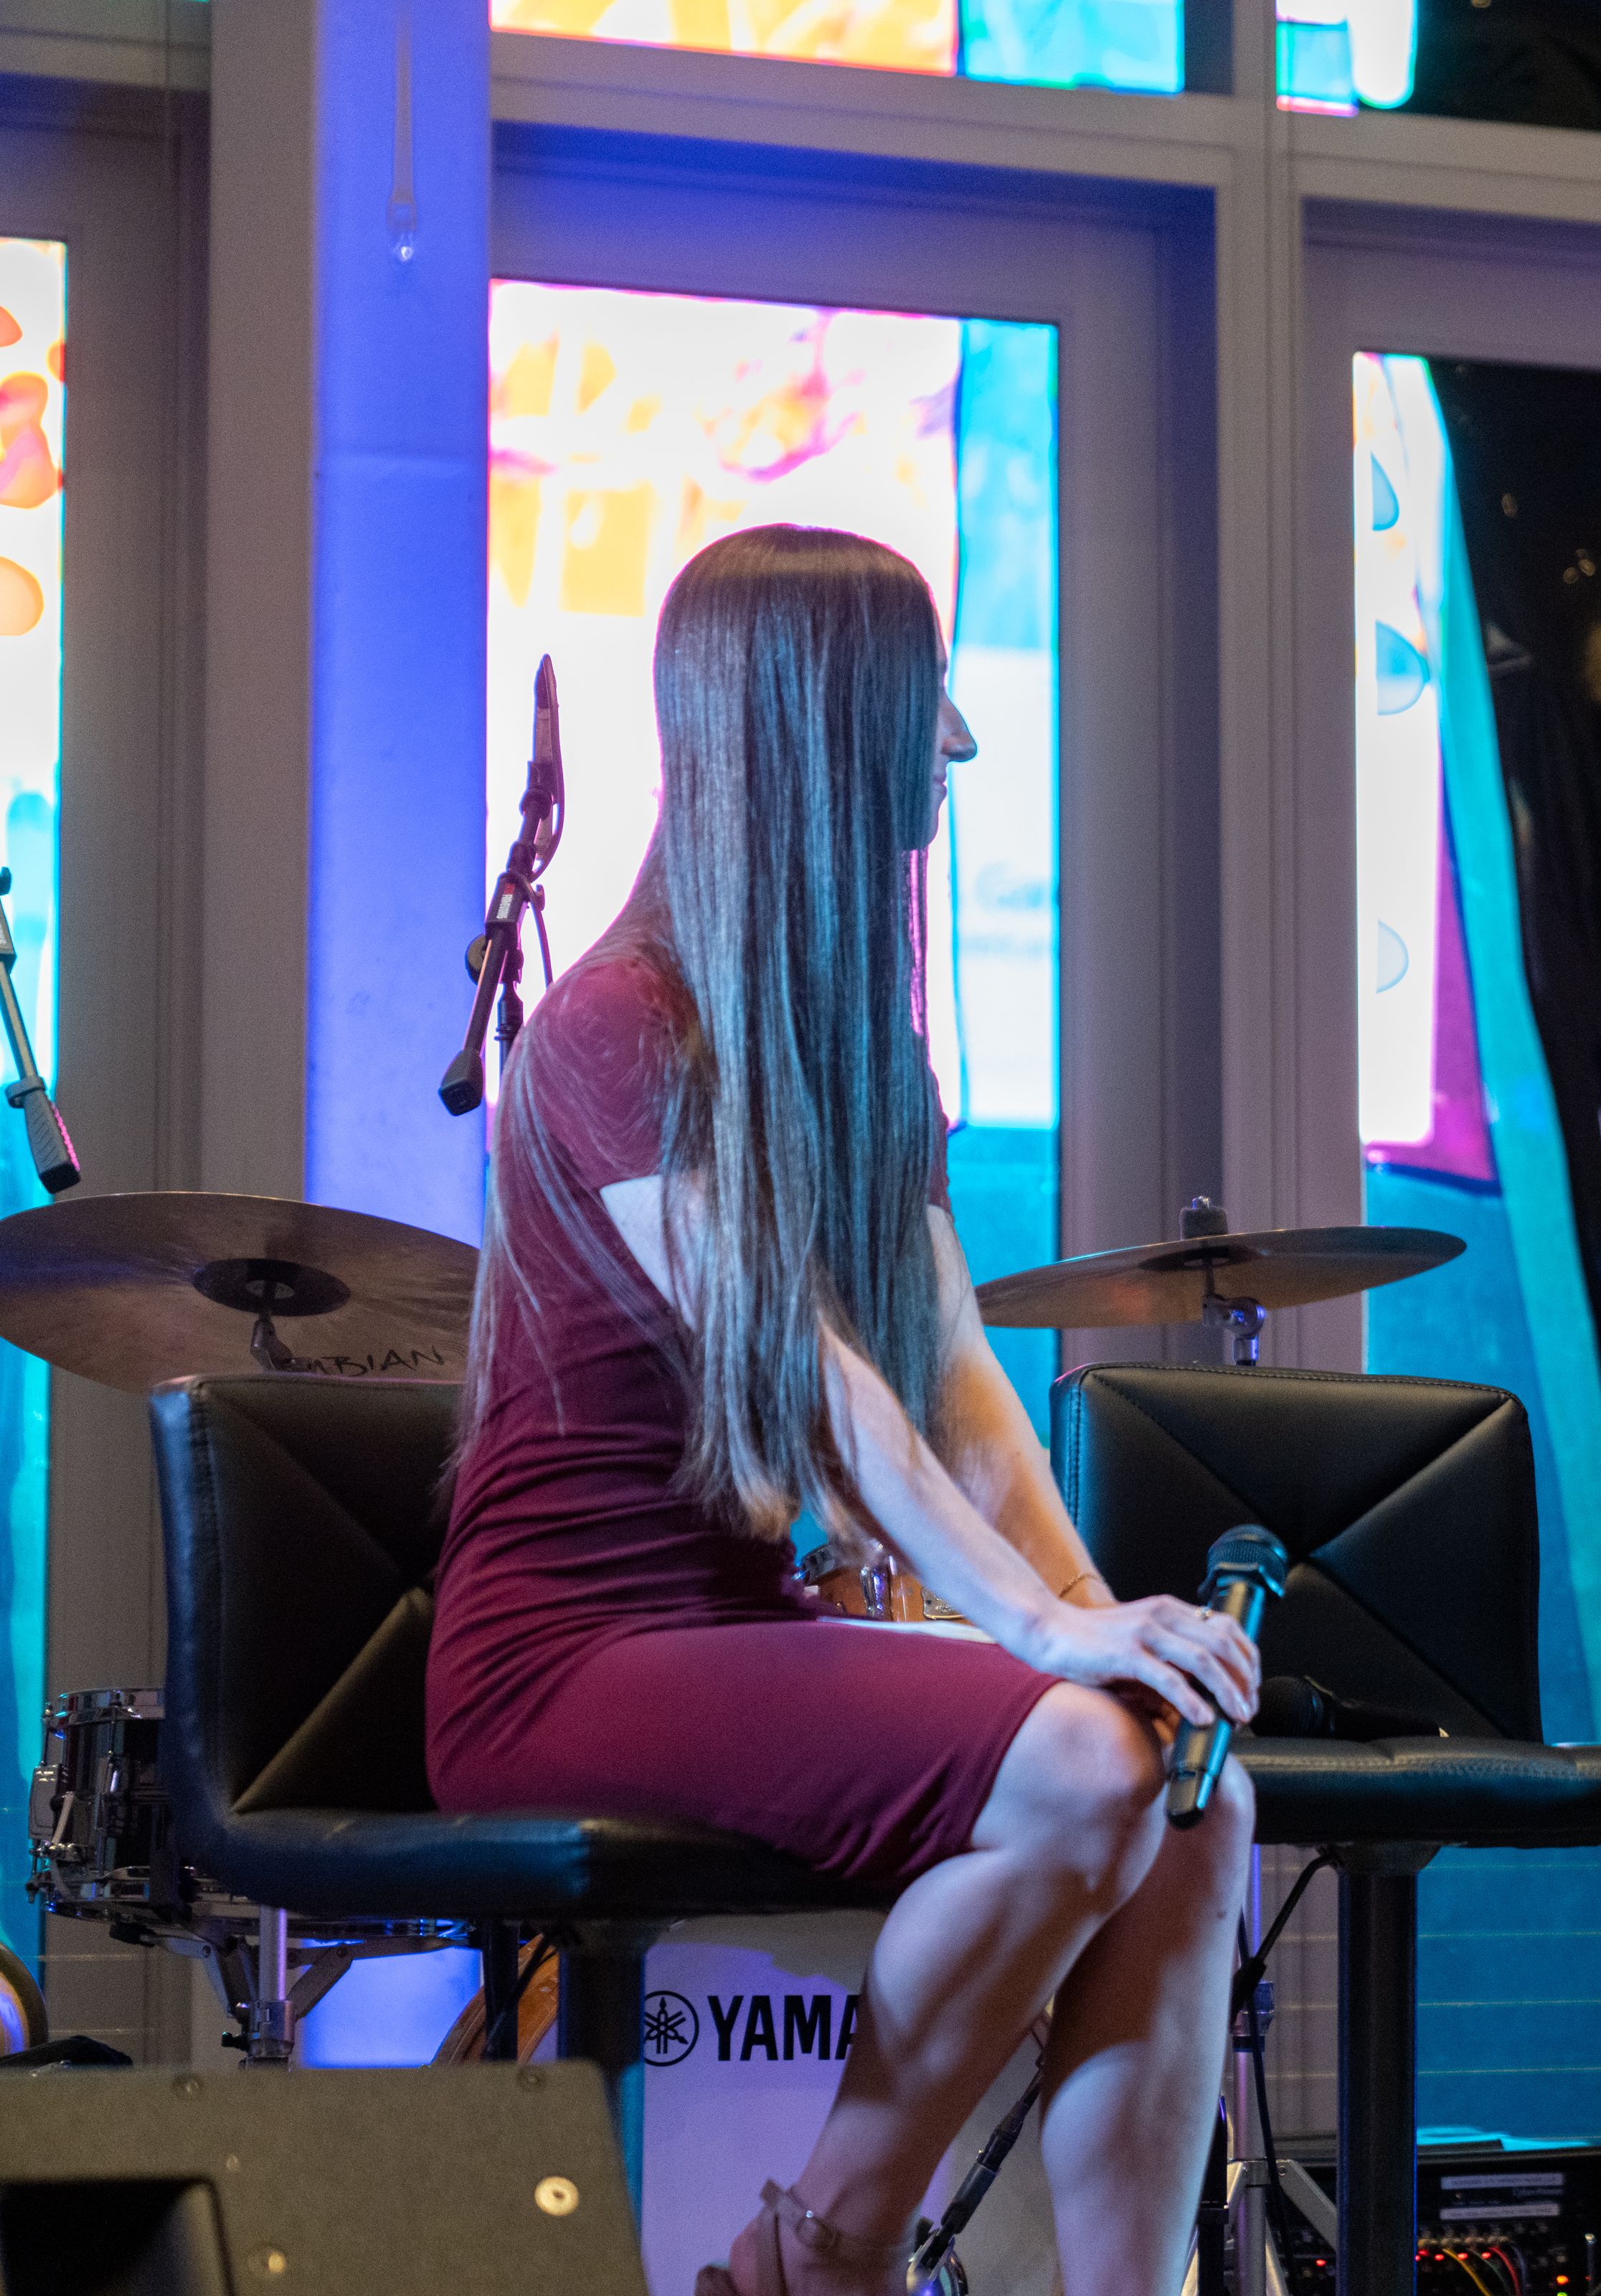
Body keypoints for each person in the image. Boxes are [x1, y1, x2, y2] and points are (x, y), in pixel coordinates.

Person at [427, 525, 1257, 2296]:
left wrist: (1115, 1631)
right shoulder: (608, 1027)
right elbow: (807, 1370)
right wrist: (1038, 1636)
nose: (955, 742)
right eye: (920, 701)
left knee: (1199, 1796)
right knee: (1093, 1764)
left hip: (731, 1630)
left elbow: (961, 1398)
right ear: (822, 722)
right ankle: (821, 2256)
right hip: (562, 1655)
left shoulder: (866, 1057)